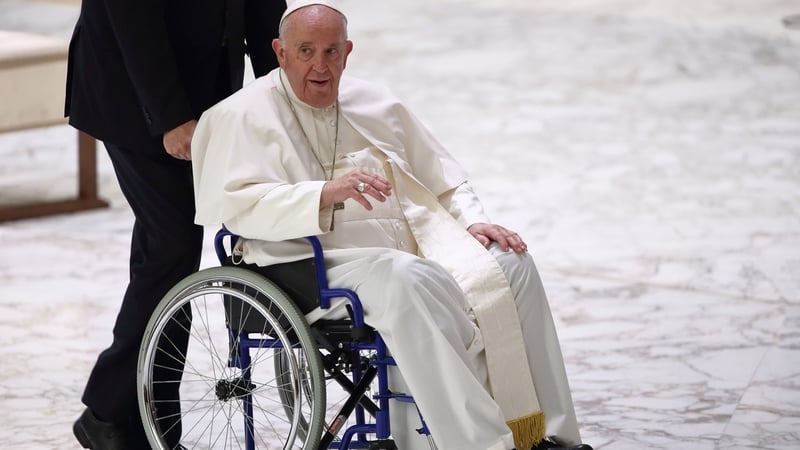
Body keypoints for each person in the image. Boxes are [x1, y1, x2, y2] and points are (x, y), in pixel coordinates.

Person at [192, 1, 593, 449]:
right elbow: (236, 207)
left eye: (330, 52)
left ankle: (551, 436)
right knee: (408, 278)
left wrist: (474, 223)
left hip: (405, 249)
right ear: (280, 52)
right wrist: (323, 193)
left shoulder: (377, 103)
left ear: (347, 52)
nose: (319, 66)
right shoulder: (239, 115)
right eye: (305, 51)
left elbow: (442, 177)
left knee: (510, 264)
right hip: (306, 262)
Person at [65, 0, 286, 448]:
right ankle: (107, 411)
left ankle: (148, 425)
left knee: (165, 249)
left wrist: (284, 96)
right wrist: (168, 117)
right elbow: (133, 18)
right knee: (172, 244)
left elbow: (263, 10)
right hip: (132, 90)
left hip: (204, 85)